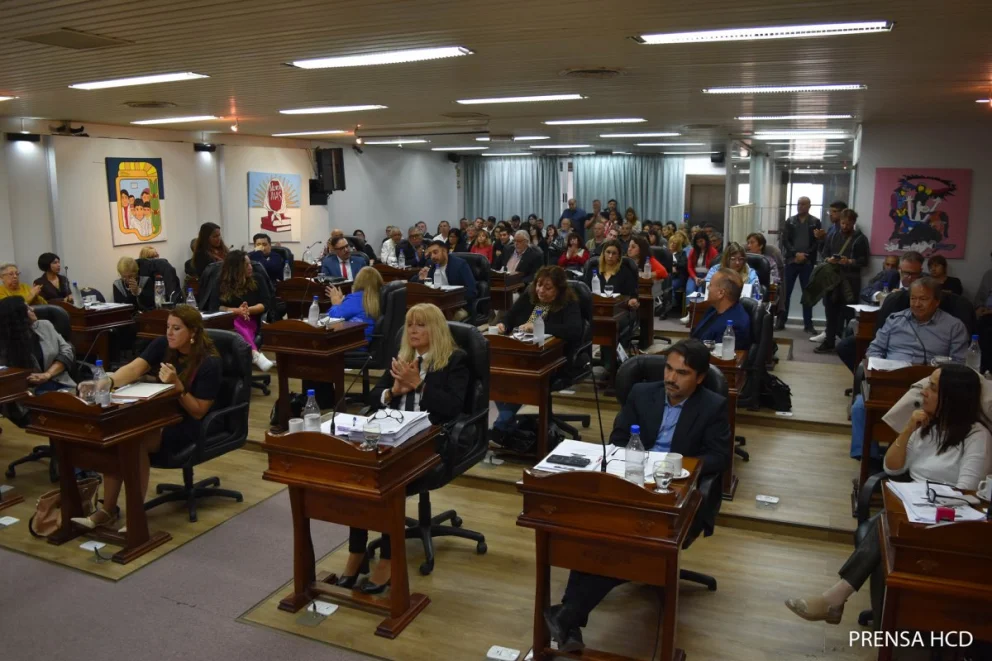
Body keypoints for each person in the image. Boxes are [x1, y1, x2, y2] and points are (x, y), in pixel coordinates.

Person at [544, 339, 730, 652]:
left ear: (700, 378)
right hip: (632, 481)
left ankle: (568, 614)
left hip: (676, 493)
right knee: (599, 530)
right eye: (668, 369)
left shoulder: (713, 406)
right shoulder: (642, 393)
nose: (671, 377)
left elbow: (719, 457)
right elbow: (619, 439)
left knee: (625, 543)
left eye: (682, 373)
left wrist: (673, 464)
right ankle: (568, 616)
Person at [786, 364, 990, 625]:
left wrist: (924, 502)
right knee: (885, 526)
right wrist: (908, 429)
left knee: (884, 526)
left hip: (947, 518)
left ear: (953, 396)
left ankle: (836, 599)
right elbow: (892, 467)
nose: (924, 392)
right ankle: (846, 603)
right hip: (912, 505)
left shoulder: (977, 437)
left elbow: (966, 492)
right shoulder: (927, 425)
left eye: (932, 387)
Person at [339, 303, 470, 594]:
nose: (412, 330)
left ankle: (388, 559)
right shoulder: (402, 358)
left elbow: (453, 407)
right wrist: (392, 392)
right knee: (358, 471)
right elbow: (375, 395)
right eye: (410, 324)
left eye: (421, 325)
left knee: (387, 478)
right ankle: (357, 552)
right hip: (391, 434)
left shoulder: (454, 360)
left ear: (435, 329)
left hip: (428, 440)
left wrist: (420, 385)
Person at [72, 306, 222, 531]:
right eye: (168, 327)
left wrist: (177, 385)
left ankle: (135, 515)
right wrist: (106, 382)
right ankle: (107, 511)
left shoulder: (210, 362)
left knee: (135, 441)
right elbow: (134, 369)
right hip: (158, 414)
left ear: (193, 332)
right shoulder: (163, 344)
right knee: (117, 438)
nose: (169, 333)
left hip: (187, 423)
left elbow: (199, 411)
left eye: (176, 328)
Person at [850, 278, 970, 459]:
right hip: (890, 384)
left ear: (937, 301)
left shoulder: (954, 326)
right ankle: (869, 460)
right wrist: (879, 366)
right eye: (913, 298)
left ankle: (915, 460)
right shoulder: (895, 320)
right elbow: (874, 350)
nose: (916, 304)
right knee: (860, 406)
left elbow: (959, 364)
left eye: (923, 299)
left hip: (929, 390)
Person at [491, 266, 583, 439]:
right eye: (539, 285)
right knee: (498, 374)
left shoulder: (568, 303)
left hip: (556, 359)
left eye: (548, 288)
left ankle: (502, 426)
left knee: (522, 378)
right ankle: (505, 425)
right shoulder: (530, 296)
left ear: (559, 289)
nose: (541, 290)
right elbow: (510, 315)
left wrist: (539, 327)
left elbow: (574, 330)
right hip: (523, 353)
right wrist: (503, 324)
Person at [814, 209, 870, 354]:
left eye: (848, 224)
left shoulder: (860, 239)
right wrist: (829, 259)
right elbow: (824, 254)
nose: (844, 226)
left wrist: (849, 261)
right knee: (830, 312)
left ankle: (849, 345)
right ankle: (829, 341)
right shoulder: (832, 236)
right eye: (843, 223)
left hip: (850, 281)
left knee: (849, 314)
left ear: (853, 223)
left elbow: (864, 261)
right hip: (832, 279)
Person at [583, 239, 638, 387]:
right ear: (603, 253)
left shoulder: (625, 271)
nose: (610, 256)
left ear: (619, 256)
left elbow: (633, 295)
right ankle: (582, 365)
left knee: (609, 327)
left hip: (621, 311)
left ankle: (610, 368)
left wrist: (633, 301)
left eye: (614, 253)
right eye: (608, 252)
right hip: (595, 311)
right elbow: (584, 292)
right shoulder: (593, 270)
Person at [0, 296, 76, 398]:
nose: (33, 309)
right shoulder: (6, 342)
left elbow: (67, 350)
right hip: (27, 393)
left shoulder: (45, 325)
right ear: (17, 317)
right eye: (27, 308)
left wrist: (48, 374)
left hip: (61, 383)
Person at [218, 250, 272, 372]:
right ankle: (254, 353)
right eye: (246, 265)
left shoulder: (257, 279)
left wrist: (247, 310)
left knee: (238, 322)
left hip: (250, 320)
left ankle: (253, 353)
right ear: (235, 268)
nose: (250, 267)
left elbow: (265, 304)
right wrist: (237, 311)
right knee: (235, 320)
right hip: (227, 320)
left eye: (250, 264)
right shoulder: (221, 283)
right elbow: (216, 306)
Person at [779, 196, 822, 332]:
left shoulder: (815, 222)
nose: (800, 206)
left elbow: (817, 242)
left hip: (807, 262)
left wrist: (805, 255)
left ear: (809, 206)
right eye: (798, 204)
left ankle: (808, 324)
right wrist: (795, 254)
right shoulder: (790, 221)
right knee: (785, 293)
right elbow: (785, 240)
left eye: (803, 204)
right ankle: (781, 321)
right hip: (791, 261)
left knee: (807, 293)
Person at [413, 240, 476, 321]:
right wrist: (422, 279)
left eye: (435, 252)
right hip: (438, 304)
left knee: (449, 318)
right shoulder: (431, 265)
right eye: (430, 254)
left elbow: (471, 290)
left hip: (460, 306)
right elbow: (425, 287)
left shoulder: (460, 265)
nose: (432, 257)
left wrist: (452, 300)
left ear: (444, 251)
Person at [690, 268, 751, 347]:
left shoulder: (733, 327)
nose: (707, 288)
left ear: (721, 293)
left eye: (710, 285)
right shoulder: (713, 309)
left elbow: (715, 353)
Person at [326, 266, 382, 344]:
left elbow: (332, 318)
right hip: (368, 342)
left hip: (354, 344)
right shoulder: (380, 297)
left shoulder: (356, 298)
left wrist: (336, 303)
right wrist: (343, 303)